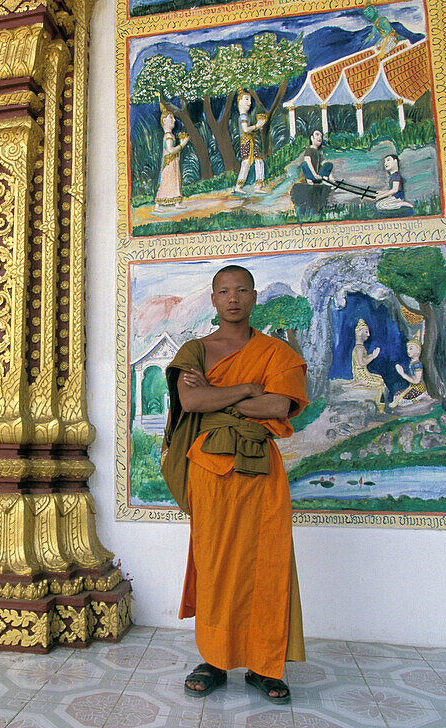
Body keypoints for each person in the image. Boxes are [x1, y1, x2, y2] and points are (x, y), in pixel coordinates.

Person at [161, 265, 308, 705]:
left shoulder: (277, 352)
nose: (233, 298)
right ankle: (214, 659)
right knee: (216, 561)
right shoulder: (195, 349)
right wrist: (249, 388)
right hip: (210, 468)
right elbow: (192, 400)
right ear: (213, 299)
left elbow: (280, 403)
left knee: (266, 563)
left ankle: (266, 665)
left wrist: (223, 393)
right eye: (224, 291)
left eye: (242, 290)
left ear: (254, 296)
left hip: (260, 471)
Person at [154, 109, 190, 212]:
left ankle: (177, 201)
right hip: (169, 163)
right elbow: (170, 150)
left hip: (173, 162)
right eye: (171, 118)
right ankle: (158, 204)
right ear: (164, 121)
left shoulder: (171, 135)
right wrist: (182, 144)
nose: (174, 120)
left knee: (175, 180)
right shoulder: (168, 136)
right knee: (167, 182)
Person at [234, 92, 268, 194]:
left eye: (250, 100)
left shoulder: (245, 116)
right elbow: (245, 129)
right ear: (239, 102)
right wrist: (256, 126)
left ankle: (258, 186)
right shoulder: (243, 117)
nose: (249, 103)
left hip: (250, 143)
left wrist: (257, 127)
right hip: (246, 143)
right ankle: (238, 186)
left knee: (258, 162)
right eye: (246, 99)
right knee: (246, 164)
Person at [351, 319, 387, 411]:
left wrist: (371, 355)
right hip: (361, 375)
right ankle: (380, 406)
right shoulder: (359, 348)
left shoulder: (360, 347)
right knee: (380, 383)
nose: (368, 334)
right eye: (366, 332)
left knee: (380, 378)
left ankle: (381, 405)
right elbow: (361, 363)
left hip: (364, 373)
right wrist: (373, 357)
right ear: (359, 333)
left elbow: (363, 360)